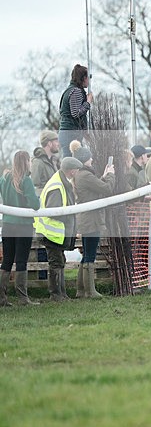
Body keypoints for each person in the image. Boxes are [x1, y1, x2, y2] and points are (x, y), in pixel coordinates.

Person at [70, 140, 115, 298]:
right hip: (91, 219)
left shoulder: (81, 175)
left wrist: (102, 176)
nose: (92, 160)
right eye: (89, 158)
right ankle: (90, 291)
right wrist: (110, 175)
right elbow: (107, 189)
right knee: (90, 254)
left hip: (86, 219)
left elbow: (95, 189)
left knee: (86, 254)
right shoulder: (86, 175)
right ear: (84, 160)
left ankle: (81, 290)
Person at [33, 157, 82, 301]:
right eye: (77, 170)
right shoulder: (57, 185)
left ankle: (61, 294)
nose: (78, 172)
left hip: (55, 233)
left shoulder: (60, 181)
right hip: (51, 233)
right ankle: (56, 295)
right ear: (72, 171)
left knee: (59, 261)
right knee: (56, 263)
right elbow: (54, 211)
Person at [0, 151, 41, 305]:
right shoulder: (26, 180)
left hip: (8, 225)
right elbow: (35, 205)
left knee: (7, 261)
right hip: (23, 225)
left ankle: (1, 298)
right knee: (21, 261)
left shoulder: (4, 178)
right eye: (29, 160)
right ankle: (23, 298)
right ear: (26, 162)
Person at [58, 64, 93, 160]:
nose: (89, 81)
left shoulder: (72, 90)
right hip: (70, 134)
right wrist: (88, 102)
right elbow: (76, 113)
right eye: (88, 77)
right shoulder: (76, 91)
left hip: (68, 133)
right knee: (71, 162)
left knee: (75, 161)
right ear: (83, 78)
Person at [31, 131, 61, 196]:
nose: (58, 144)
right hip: (46, 203)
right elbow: (34, 188)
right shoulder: (37, 162)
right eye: (56, 141)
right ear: (49, 143)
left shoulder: (55, 162)